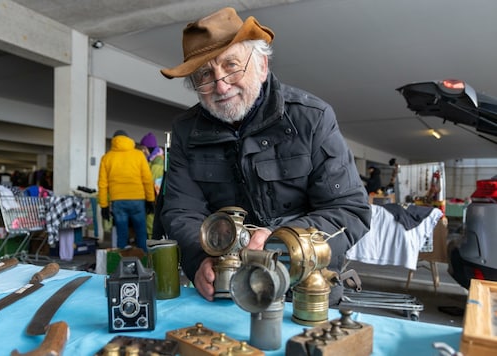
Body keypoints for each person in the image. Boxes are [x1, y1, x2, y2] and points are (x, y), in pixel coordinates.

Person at [158, 7, 370, 304]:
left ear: (262, 64)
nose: (220, 85)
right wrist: (197, 260)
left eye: (231, 65)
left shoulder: (313, 118)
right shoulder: (185, 131)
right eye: (205, 74)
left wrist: (283, 241)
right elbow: (181, 211)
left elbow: (350, 210)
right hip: (226, 291)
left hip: (306, 288)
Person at [98, 130, 156, 252]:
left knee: (122, 234)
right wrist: (151, 200)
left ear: (114, 140)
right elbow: (147, 179)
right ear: (128, 139)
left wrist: (103, 205)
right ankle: (145, 263)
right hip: (137, 200)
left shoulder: (107, 158)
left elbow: (102, 184)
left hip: (118, 201)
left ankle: (121, 265)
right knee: (141, 233)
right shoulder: (139, 155)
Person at [140, 132, 166, 239]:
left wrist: (150, 201)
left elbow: (153, 185)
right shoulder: (153, 162)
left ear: (148, 149)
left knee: (151, 227)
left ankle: (151, 253)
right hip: (152, 200)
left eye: (143, 148)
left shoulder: (157, 164)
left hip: (154, 201)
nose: (142, 151)